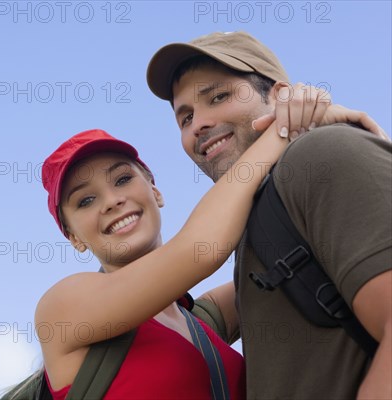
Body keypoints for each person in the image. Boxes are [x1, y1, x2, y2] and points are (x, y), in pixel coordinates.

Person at [30, 88, 375, 399]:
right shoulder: (63, 307)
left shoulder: (202, 320)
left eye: (122, 179)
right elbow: (202, 248)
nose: (111, 201)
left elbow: (312, 252)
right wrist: (283, 129)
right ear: (73, 237)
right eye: (85, 201)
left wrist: (320, 124)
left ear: (155, 190)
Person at [146, 30, 391, 399]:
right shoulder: (257, 224)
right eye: (186, 118)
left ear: (279, 95)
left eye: (219, 96)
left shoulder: (321, 154)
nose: (198, 124)